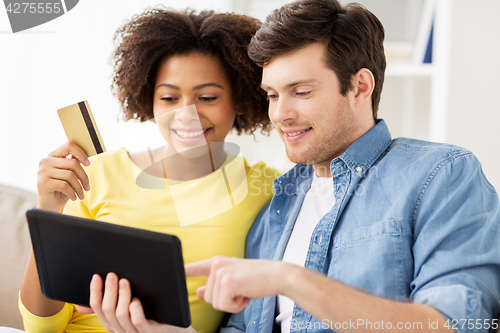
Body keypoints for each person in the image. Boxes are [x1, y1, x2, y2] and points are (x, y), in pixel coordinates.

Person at [181, 0, 500, 333]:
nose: (279, 114)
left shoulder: (441, 176)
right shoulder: (277, 204)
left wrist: (289, 278)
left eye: (301, 91)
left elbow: (456, 324)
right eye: (272, 95)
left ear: (360, 86)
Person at [19, 8, 280, 333]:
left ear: (240, 97)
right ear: (149, 101)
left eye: (208, 97)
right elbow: (40, 327)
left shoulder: (267, 188)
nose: (186, 114)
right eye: (169, 97)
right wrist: (50, 212)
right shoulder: (94, 173)